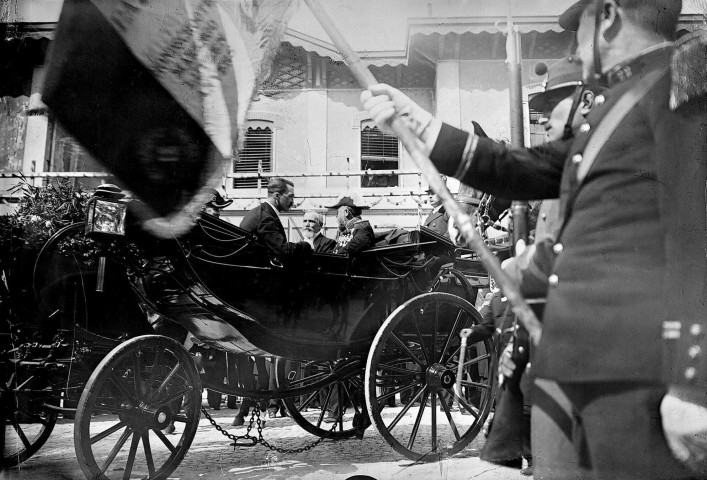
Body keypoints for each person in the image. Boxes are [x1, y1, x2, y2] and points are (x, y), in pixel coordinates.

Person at [361, 1, 707, 477]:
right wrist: (419, 124)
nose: (572, 43)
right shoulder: (618, 101)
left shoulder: (681, 84)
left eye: (577, 27)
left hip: (638, 373)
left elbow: (696, 234)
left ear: (607, 15)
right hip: (579, 363)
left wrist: (694, 385)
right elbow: (522, 168)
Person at [479, 55, 598, 476]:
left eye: (554, 107)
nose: (544, 121)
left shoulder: (594, 171)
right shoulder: (558, 177)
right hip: (539, 345)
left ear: (586, 103)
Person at [240, 177, 311, 259]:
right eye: (290, 196)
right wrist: (306, 244)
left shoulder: (260, 212)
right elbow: (283, 250)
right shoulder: (266, 218)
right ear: (277, 196)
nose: (292, 202)